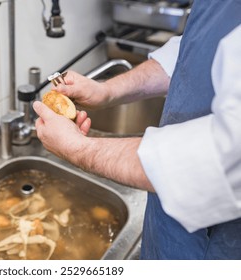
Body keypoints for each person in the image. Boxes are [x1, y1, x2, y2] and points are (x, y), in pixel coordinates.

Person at [32, 0, 241, 259]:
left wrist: (78, 148)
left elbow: (225, 157)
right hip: (166, 223)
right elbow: (194, 50)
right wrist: (106, 90)